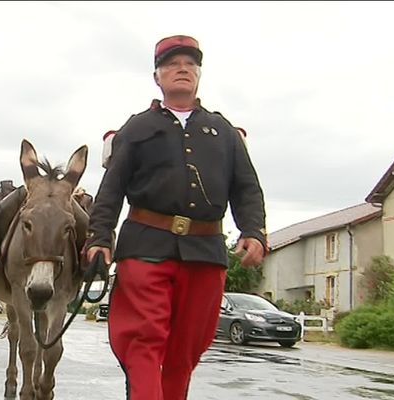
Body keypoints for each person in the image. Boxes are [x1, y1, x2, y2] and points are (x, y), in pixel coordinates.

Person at [84, 34, 268, 399]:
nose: (181, 69)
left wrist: (254, 231)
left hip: (205, 252)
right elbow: (112, 188)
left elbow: (246, 187)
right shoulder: (136, 128)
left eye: (189, 64)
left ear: (198, 75)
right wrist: (99, 239)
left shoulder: (225, 132)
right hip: (145, 248)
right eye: (171, 64)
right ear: (157, 77)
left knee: (186, 350)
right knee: (143, 341)